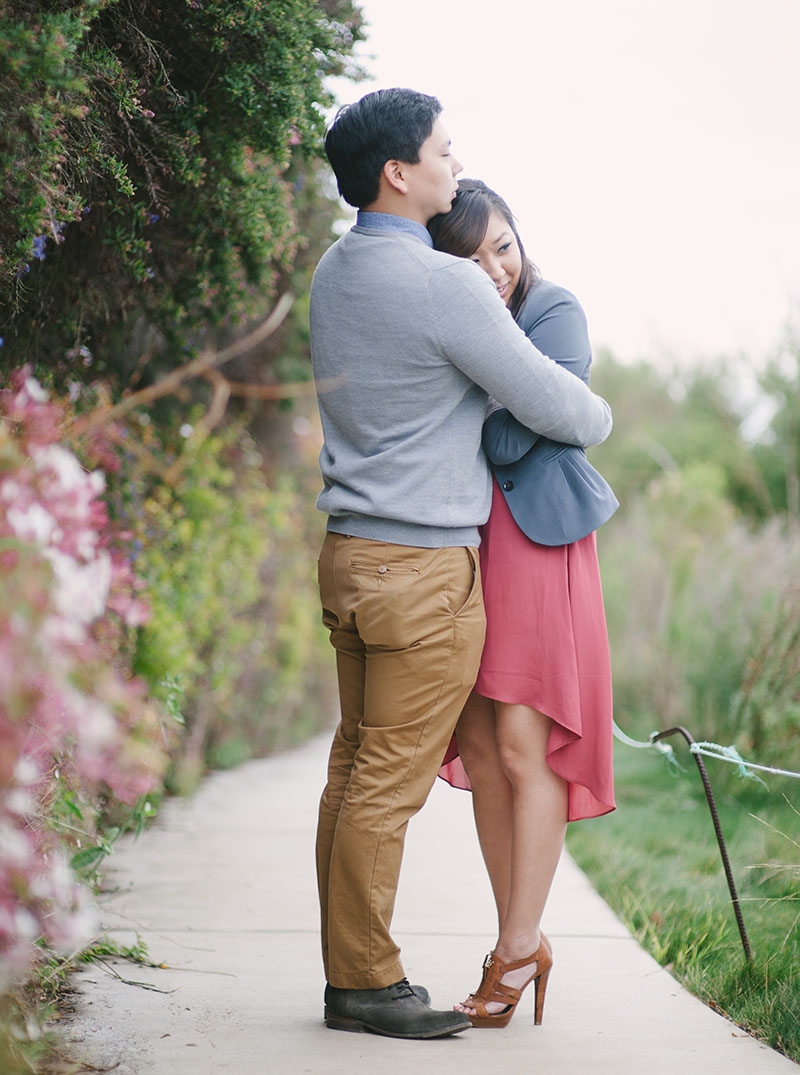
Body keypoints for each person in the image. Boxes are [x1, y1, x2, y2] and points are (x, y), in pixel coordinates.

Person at [309, 88, 613, 1041]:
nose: (453, 163)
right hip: (422, 568)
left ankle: (349, 967)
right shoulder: (448, 286)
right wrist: (566, 416)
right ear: (400, 173)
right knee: (390, 779)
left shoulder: (331, 271)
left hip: (348, 553)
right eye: (443, 151)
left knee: (353, 766)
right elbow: (566, 409)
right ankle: (365, 979)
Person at [426, 178, 617, 1029]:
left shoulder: (557, 311)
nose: (494, 267)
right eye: (470, 257)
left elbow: (505, 433)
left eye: (502, 244)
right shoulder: (454, 314)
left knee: (521, 735)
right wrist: (494, 398)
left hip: (538, 543)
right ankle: (519, 936)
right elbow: (487, 419)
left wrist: (479, 397)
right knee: (476, 735)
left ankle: (515, 946)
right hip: (469, 542)